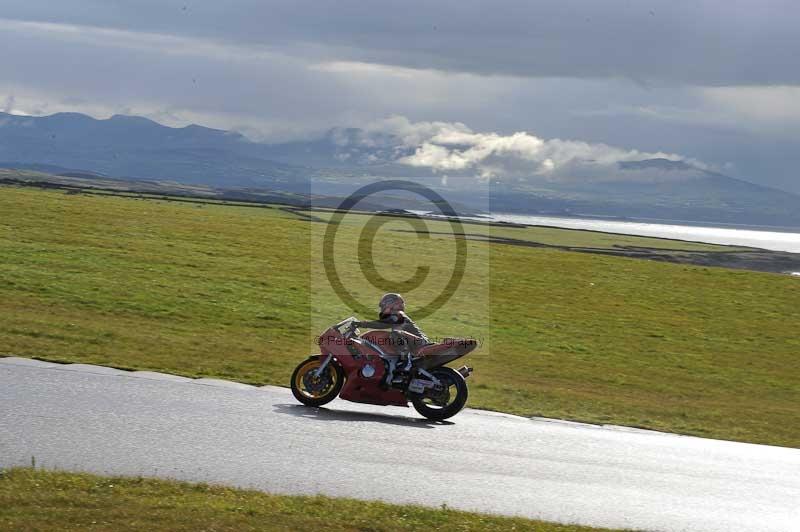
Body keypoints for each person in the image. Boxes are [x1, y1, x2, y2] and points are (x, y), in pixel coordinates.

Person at [355, 293, 430, 386]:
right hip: (416, 342)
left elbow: (382, 324)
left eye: (383, 306)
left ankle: (406, 362)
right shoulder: (396, 316)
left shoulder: (398, 314)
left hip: (420, 342)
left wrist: (362, 324)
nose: (382, 309)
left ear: (390, 304)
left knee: (396, 333)